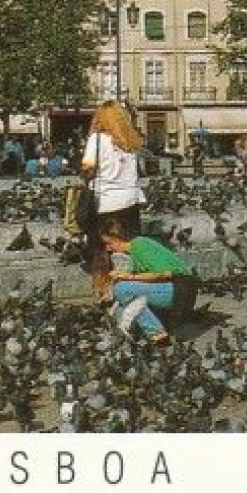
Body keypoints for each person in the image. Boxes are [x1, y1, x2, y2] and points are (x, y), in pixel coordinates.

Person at [80, 100, 146, 294]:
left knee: (103, 252)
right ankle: (133, 288)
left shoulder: (97, 140)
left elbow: (87, 167)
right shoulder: (131, 142)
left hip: (107, 203)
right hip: (131, 202)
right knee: (128, 250)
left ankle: (105, 292)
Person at [97, 220, 188, 347]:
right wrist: (109, 293)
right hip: (170, 289)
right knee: (117, 308)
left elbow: (165, 273)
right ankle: (139, 334)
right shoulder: (131, 255)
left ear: (118, 238)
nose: (107, 248)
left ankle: (159, 336)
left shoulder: (140, 244)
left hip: (181, 287)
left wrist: (128, 276)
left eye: (108, 243)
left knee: (122, 289)